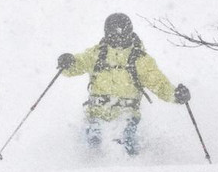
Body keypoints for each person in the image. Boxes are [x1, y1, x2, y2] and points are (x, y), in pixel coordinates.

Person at [57, 13, 190, 156]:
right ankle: (86, 171)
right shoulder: (97, 54)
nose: (117, 39)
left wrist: (175, 95)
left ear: (128, 32)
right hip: (96, 114)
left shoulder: (140, 60)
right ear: (107, 34)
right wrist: (68, 62)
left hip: (127, 115)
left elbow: (159, 84)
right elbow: (78, 64)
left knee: (127, 144)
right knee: (92, 143)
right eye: (113, 35)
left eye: (121, 34)